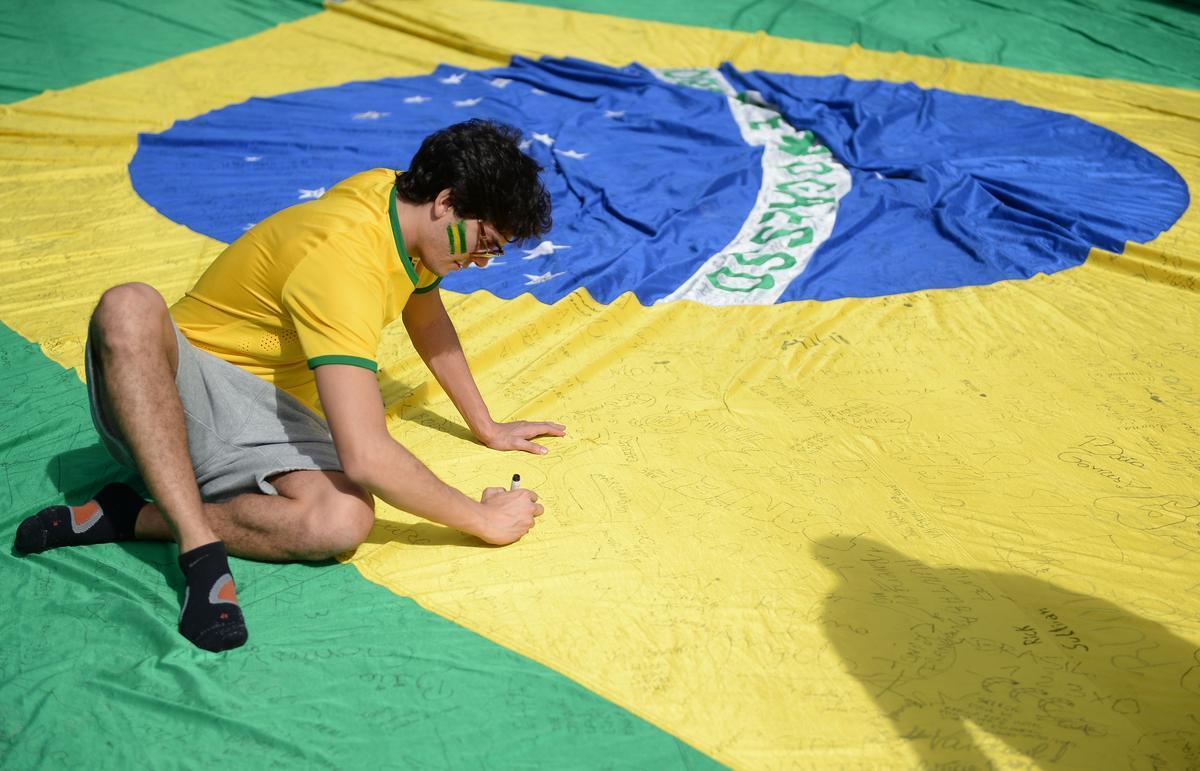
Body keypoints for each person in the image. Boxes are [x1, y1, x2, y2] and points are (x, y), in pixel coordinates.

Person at [13, 119, 565, 653]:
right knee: (129, 303)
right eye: (484, 243)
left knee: (343, 519)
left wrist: (486, 425)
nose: (478, 262)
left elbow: (423, 309)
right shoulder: (345, 261)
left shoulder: (396, 200)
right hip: (173, 399)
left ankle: (133, 514)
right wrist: (481, 517)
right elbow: (367, 456)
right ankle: (199, 548)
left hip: (264, 415)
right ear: (445, 202)